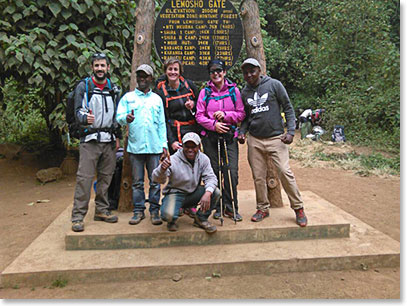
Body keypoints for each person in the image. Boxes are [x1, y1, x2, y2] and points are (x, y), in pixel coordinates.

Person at [238, 58, 308, 227]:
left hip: (277, 138)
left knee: (285, 172)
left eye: (252, 71)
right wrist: (242, 132)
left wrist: (291, 132)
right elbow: (246, 117)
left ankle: (298, 208)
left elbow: (288, 108)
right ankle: (262, 208)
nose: (249, 75)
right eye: (246, 73)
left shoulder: (274, 85)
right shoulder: (244, 92)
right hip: (255, 140)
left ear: (259, 70)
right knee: (258, 177)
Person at [71, 52, 121, 232]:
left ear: (108, 68)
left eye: (103, 65)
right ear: (92, 67)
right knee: (84, 179)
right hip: (90, 139)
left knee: (106, 177)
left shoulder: (113, 88)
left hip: (108, 139)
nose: (100, 69)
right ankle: (77, 216)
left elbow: (117, 115)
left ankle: (102, 209)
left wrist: (117, 137)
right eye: (97, 65)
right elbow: (77, 111)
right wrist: (85, 118)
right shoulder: (83, 87)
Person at [116, 64, 168, 226]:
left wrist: (164, 145)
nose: (142, 79)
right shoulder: (128, 98)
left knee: (154, 181)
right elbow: (118, 117)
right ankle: (138, 211)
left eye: (145, 76)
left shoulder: (157, 99)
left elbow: (161, 124)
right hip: (135, 147)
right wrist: (126, 118)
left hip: (153, 147)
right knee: (137, 182)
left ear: (151, 78)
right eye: (140, 76)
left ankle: (154, 210)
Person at [195, 59, 246, 222]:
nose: (216, 74)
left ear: (224, 72)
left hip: (230, 137)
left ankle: (231, 207)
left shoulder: (234, 91)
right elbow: (199, 115)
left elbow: (241, 113)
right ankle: (217, 206)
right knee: (214, 172)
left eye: (219, 70)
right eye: (212, 71)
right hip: (210, 137)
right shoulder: (205, 92)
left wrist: (226, 116)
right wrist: (213, 125)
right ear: (209, 74)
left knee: (231, 171)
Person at [154, 57, 200, 218]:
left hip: (191, 132)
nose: (173, 72)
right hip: (174, 131)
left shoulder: (189, 86)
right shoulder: (161, 91)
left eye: (175, 69)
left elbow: (201, 105)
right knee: (177, 170)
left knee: (194, 168)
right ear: (165, 71)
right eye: (170, 69)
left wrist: (193, 105)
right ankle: (177, 203)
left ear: (180, 71)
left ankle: (191, 204)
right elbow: (163, 119)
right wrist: (171, 141)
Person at [152, 132, 220, 233]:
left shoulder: (203, 159)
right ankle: (172, 220)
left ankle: (201, 218)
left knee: (215, 192)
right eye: (187, 146)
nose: (190, 150)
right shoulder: (173, 160)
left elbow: (211, 178)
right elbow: (157, 179)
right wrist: (161, 169)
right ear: (182, 146)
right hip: (175, 193)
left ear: (199, 146)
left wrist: (208, 193)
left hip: (193, 192)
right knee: (168, 215)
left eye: (194, 147)